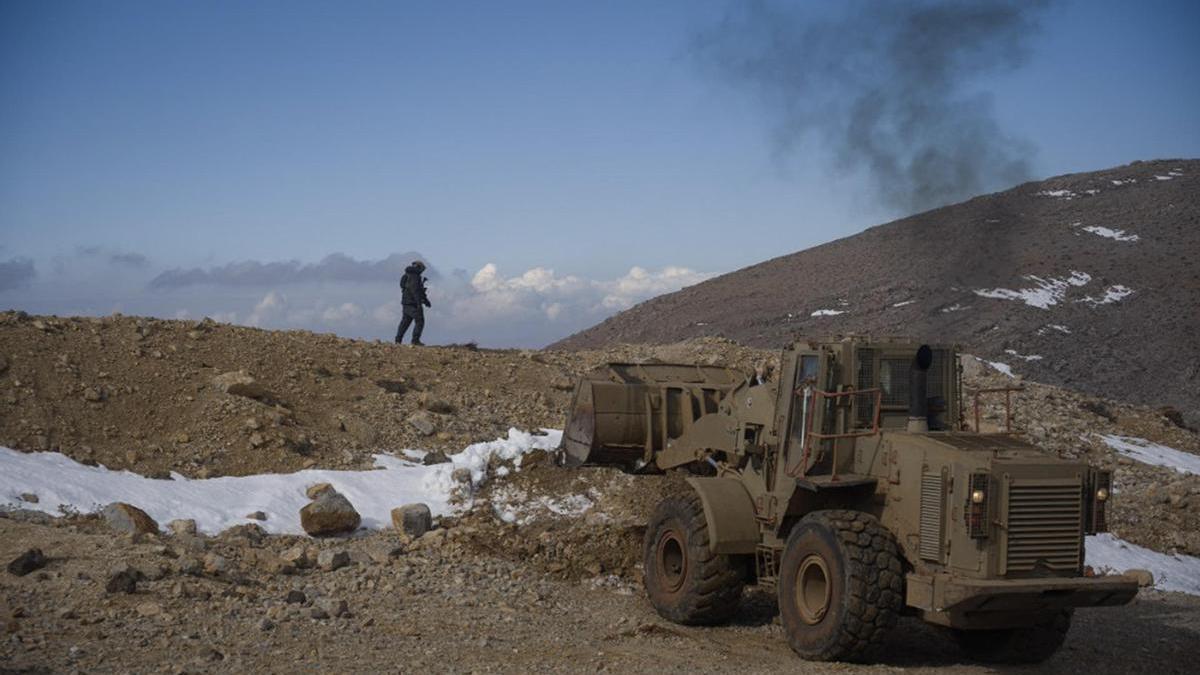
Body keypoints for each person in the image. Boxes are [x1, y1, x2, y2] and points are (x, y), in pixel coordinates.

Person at [395, 260, 431, 345]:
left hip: (406, 302)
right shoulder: (415, 276)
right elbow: (415, 291)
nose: (422, 271)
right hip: (412, 303)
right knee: (420, 320)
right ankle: (415, 340)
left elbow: (414, 289)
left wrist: (426, 301)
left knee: (405, 321)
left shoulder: (407, 275)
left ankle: (398, 340)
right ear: (418, 267)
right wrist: (419, 303)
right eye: (422, 269)